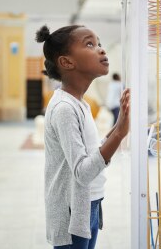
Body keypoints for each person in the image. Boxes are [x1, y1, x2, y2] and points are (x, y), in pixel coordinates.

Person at [35, 25, 130, 249]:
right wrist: (118, 134)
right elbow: (83, 172)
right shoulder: (64, 108)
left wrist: (120, 124)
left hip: (89, 204)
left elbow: (91, 151)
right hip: (72, 214)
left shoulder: (80, 104)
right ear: (67, 62)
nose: (101, 50)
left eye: (99, 43)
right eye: (90, 44)